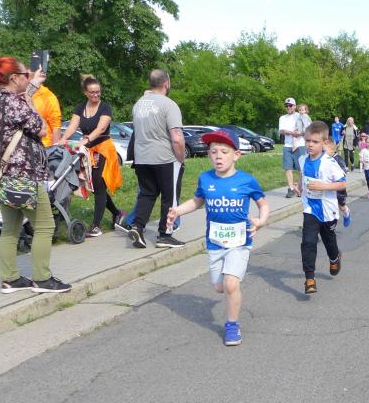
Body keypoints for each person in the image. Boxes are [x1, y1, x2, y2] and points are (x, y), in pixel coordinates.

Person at [0, 54, 71, 293]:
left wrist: (30, 88)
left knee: (10, 228)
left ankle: (10, 278)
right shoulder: (14, 102)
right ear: (13, 78)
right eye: (25, 74)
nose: (28, 77)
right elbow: (41, 128)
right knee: (45, 225)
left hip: (3, 174)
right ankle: (42, 279)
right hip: (25, 174)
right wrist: (30, 97)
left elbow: (15, 112)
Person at [167, 129, 269, 346]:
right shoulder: (205, 179)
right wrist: (177, 211)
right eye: (213, 152)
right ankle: (232, 283)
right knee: (219, 287)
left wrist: (261, 221)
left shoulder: (246, 180)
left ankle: (232, 325)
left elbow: (263, 204)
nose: (218, 156)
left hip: (239, 242)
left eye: (224, 151)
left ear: (236, 155)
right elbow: (197, 201)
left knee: (230, 284)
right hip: (215, 243)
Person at [59, 75, 124, 237]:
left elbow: (101, 129)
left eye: (98, 92)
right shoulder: (80, 108)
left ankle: (96, 226)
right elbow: (72, 126)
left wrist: (85, 140)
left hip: (103, 148)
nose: (96, 95)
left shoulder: (105, 107)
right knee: (95, 186)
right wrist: (63, 139)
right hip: (87, 150)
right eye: (92, 92)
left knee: (98, 182)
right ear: (85, 93)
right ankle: (117, 213)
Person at [128, 69, 186, 248]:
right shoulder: (169, 104)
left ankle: (137, 226)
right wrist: (180, 158)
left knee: (147, 193)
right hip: (164, 158)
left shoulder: (138, 105)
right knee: (170, 197)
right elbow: (177, 137)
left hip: (141, 158)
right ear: (166, 83)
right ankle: (165, 234)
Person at [295, 121, 347, 294]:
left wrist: (323, 186)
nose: (310, 144)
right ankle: (309, 278)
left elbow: (342, 184)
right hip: (310, 207)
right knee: (308, 242)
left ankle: (335, 257)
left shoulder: (329, 163)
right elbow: (302, 174)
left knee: (328, 240)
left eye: (315, 141)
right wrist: (300, 186)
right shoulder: (302, 159)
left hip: (328, 209)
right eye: (308, 140)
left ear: (324, 143)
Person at [279, 97, 304, 198]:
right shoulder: (282, 118)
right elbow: (282, 131)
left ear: (294, 106)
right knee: (288, 168)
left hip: (300, 144)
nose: (288, 107)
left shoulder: (300, 115)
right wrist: (292, 132)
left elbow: (306, 128)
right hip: (288, 145)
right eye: (286, 105)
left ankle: (300, 187)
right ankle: (291, 189)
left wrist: (299, 133)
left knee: (301, 168)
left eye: (290, 105)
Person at [325, 139, 352, 226]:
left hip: (338, 187)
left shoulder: (338, 159)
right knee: (329, 206)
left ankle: (346, 213)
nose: (322, 152)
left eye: (324, 150)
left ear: (332, 150)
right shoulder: (323, 159)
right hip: (327, 188)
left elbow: (343, 172)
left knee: (341, 206)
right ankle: (330, 224)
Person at [31, 81, 61, 147]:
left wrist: (54, 150)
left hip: (43, 147)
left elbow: (56, 127)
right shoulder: (16, 92)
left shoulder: (48, 96)